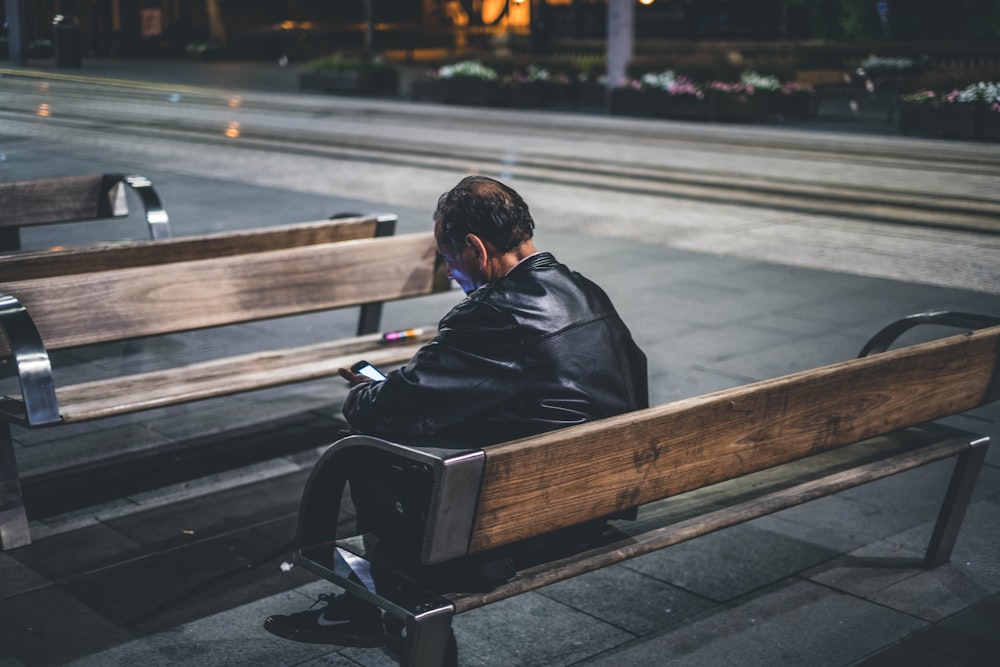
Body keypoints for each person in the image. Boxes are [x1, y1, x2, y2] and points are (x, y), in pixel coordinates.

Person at [264, 175, 647, 647]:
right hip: (596, 502)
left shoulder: (493, 314)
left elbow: (381, 413)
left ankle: (373, 608)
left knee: (366, 451)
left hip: (518, 525)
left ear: (475, 247)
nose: (449, 272)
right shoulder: (586, 292)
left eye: (448, 258)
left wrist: (366, 393)